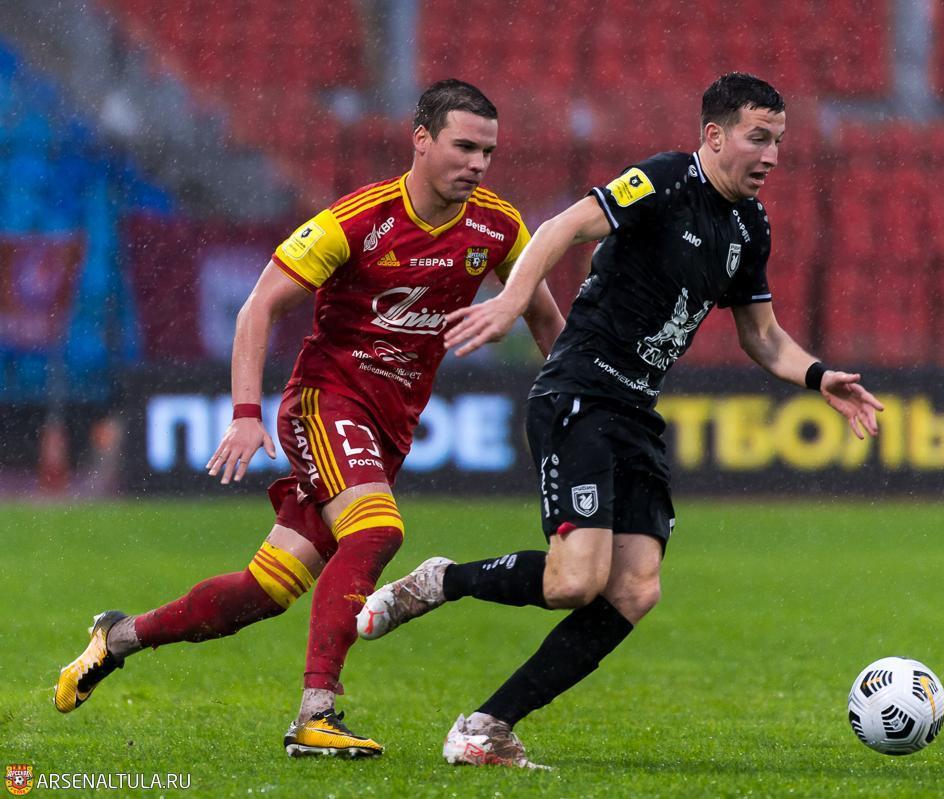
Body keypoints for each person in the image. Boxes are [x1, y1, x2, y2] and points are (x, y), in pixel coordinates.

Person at [358, 73, 884, 769]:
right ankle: (440, 581)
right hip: (579, 394)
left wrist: (819, 376)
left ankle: (487, 727)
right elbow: (562, 227)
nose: (772, 156)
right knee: (574, 582)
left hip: (636, 413)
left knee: (635, 588)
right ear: (715, 136)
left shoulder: (749, 226)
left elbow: (762, 335)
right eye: (759, 138)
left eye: (779, 142)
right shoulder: (664, 181)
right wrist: (512, 301)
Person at [53, 79, 564, 759]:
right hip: (327, 401)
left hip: (391, 423)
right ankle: (316, 713)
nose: (477, 164)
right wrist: (245, 414)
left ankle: (116, 638)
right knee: (377, 529)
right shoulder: (358, 220)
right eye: (464, 146)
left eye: (488, 152)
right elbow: (258, 306)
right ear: (421, 139)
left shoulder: (498, 226)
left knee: (264, 589)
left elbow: (545, 317)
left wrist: (582, 398)